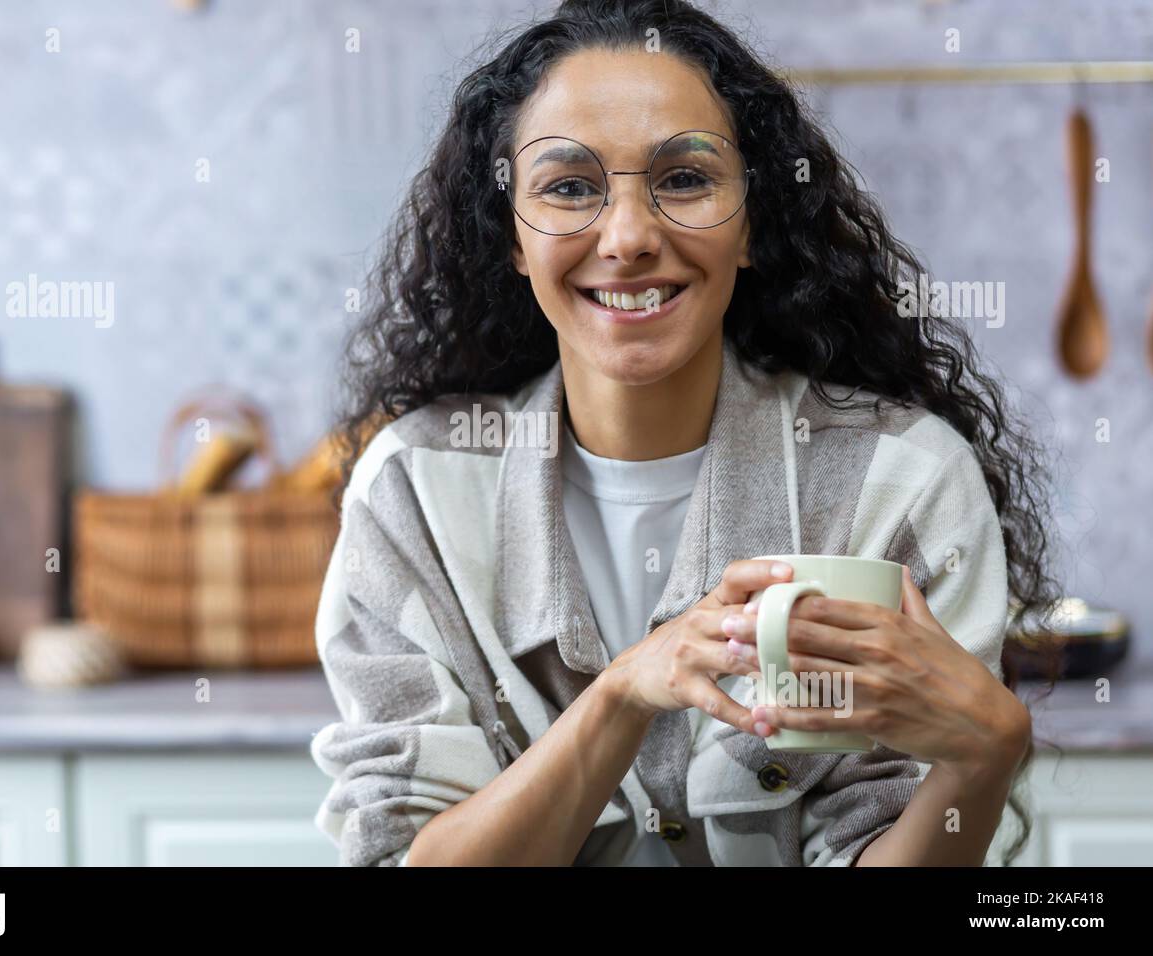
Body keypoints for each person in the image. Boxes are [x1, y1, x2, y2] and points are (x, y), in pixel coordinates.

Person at [310, 0, 1061, 866]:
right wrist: (623, 693)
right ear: (512, 236)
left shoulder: (902, 481)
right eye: (568, 187)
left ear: (751, 223)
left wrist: (985, 755)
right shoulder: (415, 490)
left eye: (684, 179)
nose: (629, 237)